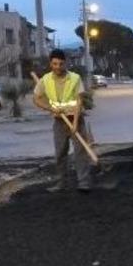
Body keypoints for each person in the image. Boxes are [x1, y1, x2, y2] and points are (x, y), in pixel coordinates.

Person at [33, 49, 93, 193]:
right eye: (55, 64)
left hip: (76, 119)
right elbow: (36, 99)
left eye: (61, 64)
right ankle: (62, 183)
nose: (58, 67)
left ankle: (84, 183)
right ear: (50, 64)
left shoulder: (75, 78)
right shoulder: (46, 80)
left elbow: (79, 101)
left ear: (65, 63)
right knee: (60, 153)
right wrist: (50, 108)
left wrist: (75, 123)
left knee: (80, 152)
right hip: (59, 121)